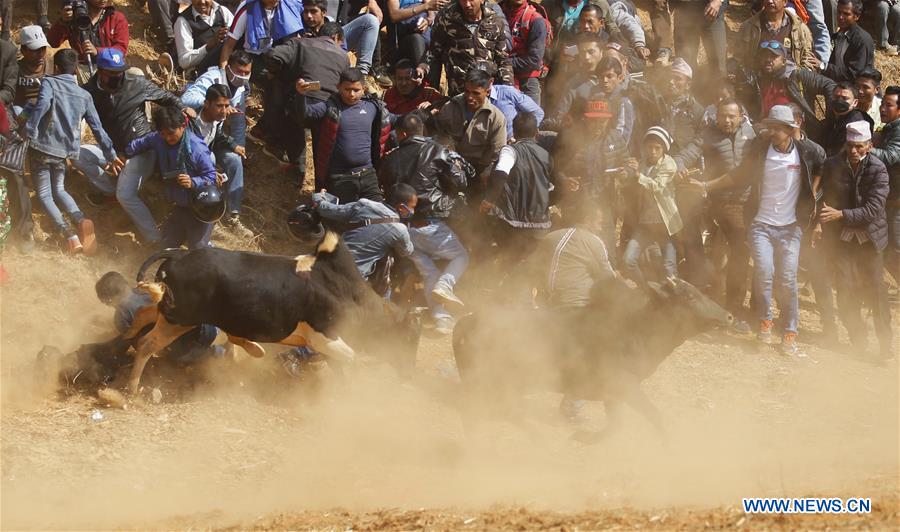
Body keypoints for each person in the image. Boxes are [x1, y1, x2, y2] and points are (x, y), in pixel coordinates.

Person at [699, 105, 825, 356]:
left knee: (788, 280)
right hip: (761, 225)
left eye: (777, 128)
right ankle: (765, 322)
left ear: (790, 130)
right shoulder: (760, 151)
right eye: (770, 126)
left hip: (790, 227)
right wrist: (706, 185)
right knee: (764, 274)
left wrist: (811, 198)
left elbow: (822, 166)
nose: (771, 131)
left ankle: (790, 332)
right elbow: (739, 175)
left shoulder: (806, 152)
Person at [76, 48, 187, 245]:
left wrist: (184, 108)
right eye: (113, 74)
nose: (119, 77)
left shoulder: (136, 84)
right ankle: (110, 190)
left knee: (125, 194)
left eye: (121, 71)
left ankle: (155, 240)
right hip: (112, 151)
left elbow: (166, 98)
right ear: (101, 72)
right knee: (77, 153)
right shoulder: (88, 92)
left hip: (142, 150)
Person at [379, 113, 470, 333]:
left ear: (400, 134)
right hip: (429, 224)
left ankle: (441, 318)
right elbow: (461, 181)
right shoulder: (437, 150)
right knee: (461, 256)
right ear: (423, 131)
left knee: (429, 272)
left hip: (402, 229)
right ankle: (445, 287)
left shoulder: (389, 159)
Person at [24, 49, 117, 256]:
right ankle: (81, 219)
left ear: (55, 67)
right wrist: (110, 154)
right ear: (76, 69)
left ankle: (69, 235)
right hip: (64, 152)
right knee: (60, 190)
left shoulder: (49, 83)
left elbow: (41, 106)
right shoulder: (85, 95)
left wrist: (29, 130)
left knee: (45, 194)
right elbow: (97, 128)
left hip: (41, 147)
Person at [675, 98, 755, 324]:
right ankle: (715, 306)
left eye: (732, 116)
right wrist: (679, 167)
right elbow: (685, 154)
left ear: (741, 117)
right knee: (716, 256)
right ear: (716, 116)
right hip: (718, 203)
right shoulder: (708, 134)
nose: (727, 120)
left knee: (740, 257)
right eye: (723, 116)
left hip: (746, 204)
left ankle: (735, 308)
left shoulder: (752, 134)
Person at [818, 121, 893, 359]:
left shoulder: (878, 169)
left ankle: (884, 346)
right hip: (841, 239)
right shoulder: (832, 165)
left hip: (870, 241)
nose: (853, 151)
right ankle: (858, 340)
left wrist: (840, 214)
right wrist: (820, 220)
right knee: (845, 290)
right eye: (850, 145)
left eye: (859, 146)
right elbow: (824, 197)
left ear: (869, 146)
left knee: (877, 294)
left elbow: (873, 209)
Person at [126, 105, 219, 250]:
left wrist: (193, 182)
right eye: (163, 134)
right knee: (165, 248)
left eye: (171, 133)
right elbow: (138, 144)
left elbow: (211, 177)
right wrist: (120, 154)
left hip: (199, 209)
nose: (167, 138)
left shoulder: (197, 148)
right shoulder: (158, 139)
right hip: (179, 207)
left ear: (183, 125)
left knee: (198, 251)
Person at [260, 21, 350, 170]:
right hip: (329, 109)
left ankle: (279, 144)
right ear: (336, 37)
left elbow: (272, 55)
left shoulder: (302, 44)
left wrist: (280, 72)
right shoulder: (345, 57)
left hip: (301, 104)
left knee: (279, 85)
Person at [296, 67, 391, 203]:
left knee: (378, 215)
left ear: (364, 88)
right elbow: (306, 114)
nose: (351, 94)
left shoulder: (373, 107)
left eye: (356, 90)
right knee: (342, 221)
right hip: (340, 178)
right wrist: (300, 95)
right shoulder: (329, 107)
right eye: (347, 89)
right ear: (338, 87)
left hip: (368, 175)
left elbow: (394, 119)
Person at [95, 271, 220, 370]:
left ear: (108, 300)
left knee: (174, 360)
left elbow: (141, 345)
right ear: (125, 284)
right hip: (210, 324)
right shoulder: (148, 289)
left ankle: (217, 353)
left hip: (194, 340)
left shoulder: (121, 316)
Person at [481, 112, 553, 260]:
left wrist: (489, 200)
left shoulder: (510, 150)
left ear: (514, 131)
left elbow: (500, 173)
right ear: (537, 132)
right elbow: (550, 187)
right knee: (529, 264)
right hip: (541, 225)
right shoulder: (546, 155)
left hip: (513, 224)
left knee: (510, 259)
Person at [312, 184, 415, 280]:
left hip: (328, 261)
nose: (412, 211)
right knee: (383, 292)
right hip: (352, 276)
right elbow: (407, 251)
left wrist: (319, 197)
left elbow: (327, 210)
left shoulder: (364, 205)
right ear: (401, 207)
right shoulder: (400, 230)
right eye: (412, 207)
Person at [621, 127, 682, 285]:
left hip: (664, 224)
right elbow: (631, 184)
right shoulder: (641, 164)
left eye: (657, 148)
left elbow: (658, 187)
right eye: (650, 147)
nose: (653, 151)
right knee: (628, 260)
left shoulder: (669, 164)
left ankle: (675, 303)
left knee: (669, 267)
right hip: (645, 223)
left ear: (664, 149)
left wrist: (637, 175)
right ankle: (645, 291)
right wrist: (625, 173)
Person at [189, 84, 252, 237]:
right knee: (209, 158)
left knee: (234, 160)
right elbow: (187, 153)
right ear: (206, 104)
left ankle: (232, 216)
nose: (224, 110)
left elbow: (216, 136)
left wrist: (233, 145)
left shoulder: (217, 118)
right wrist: (210, 172)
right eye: (219, 106)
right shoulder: (191, 121)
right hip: (191, 165)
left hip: (208, 154)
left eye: (226, 105)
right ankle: (209, 215)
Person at [743, 39, 835, 136]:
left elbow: (829, 85)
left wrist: (830, 117)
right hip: (767, 133)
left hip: (797, 134)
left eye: (774, 56)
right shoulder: (756, 79)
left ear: (784, 61)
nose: (768, 59)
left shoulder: (797, 75)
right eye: (764, 56)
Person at [421, 0, 514, 95]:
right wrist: (433, 90)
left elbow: (503, 59)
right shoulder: (446, 18)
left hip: (488, 91)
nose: (467, 5)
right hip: (458, 92)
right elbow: (434, 54)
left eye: (471, 0)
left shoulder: (494, 20)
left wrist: (508, 89)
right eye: (463, 0)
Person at [434, 68, 507, 184]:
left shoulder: (496, 118)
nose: (470, 97)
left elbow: (496, 152)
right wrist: (452, 158)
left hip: (479, 168)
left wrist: (483, 172)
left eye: (476, 93)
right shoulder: (450, 107)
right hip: (450, 163)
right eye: (467, 92)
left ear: (487, 92)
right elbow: (440, 134)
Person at [181, 50, 252, 149]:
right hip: (194, 130)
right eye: (239, 71)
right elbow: (186, 99)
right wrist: (214, 105)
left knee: (233, 159)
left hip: (217, 135)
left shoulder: (241, 89)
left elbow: (238, 124)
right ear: (228, 68)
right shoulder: (212, 78)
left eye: (246, 73)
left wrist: (238, 147)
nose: (242, 76)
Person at [47, 0, 129, 82]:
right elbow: (52, 42)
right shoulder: (75, 17)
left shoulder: (116, 18)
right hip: (83, 68)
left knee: (136, 73)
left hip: (111, 66)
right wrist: (63, 22)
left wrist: (98, 52)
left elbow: (121, 49)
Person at [219, 0, 305, 73]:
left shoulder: (289, 6)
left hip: (274, 53)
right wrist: (223, 74)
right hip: (250, 56)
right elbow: (229, 46)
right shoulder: (247, 9)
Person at [299, 0, 381, 76]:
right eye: (306, 11)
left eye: (313, 11)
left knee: (371, 20)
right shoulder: (299, 26)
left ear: (323, 13)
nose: (309, 16)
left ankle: (362, 74)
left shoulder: (334, 30)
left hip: (334, 55)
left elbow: (341, 56)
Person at [870, 86, 900, 288]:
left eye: (888, 105)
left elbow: (892, 156)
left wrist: (868, 149)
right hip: (890, 200)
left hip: (897, 203)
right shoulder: (889, 128)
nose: (882, 108)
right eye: (882, 103)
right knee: (889, 249)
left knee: (894, 249)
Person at [735, 0, 814, 70]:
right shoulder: (748, 27)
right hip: (758, 81)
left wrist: (797, 78)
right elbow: (739, 58)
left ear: (785, 2)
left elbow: (807, 59)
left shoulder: (800, 29)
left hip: (789, 83)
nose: (770, 1)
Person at [501, 0, 549, 105]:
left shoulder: (535, 20)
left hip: (526, 80)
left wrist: (504, 63)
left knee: (531, 118)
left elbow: (533, 60)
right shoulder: (496, 12)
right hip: (499, 77)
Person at [816, 0, 874, 82]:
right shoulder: (839, 35)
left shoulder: (862, 40)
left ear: (856, 16)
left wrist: (823, 66)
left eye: (846, 14)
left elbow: (854, 74)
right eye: (839, 12)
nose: (840, 17)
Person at [174, 0, 235, 75]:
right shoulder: (183, 21)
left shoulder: (222, 11)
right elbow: (184, 61)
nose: (202, 1)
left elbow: (235, 35)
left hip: (229, 67)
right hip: (203, 72)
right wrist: (208, 46)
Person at [669, 0, 727, 77]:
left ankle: (717, 87)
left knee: (719, 67)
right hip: (684, 9)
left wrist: (718, 1)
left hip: (712, 10)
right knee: (684, 68)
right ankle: (691, 87)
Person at [384, 0, 445, 67]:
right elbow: (394, 15)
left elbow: (430, 6)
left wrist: (429, 20)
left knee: (438, 43)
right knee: (418, 40)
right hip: (407, 33)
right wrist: (424, 7)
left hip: (425, 24)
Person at [819, 82, 872, 156]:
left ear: (855, 102)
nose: (839, 101)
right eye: (836, 97)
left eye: (845, 98)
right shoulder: (832, 117)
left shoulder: (855, 123)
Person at [13, 26, 50, 117]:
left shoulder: (53, 66)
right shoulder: (15, 69)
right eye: (36, 50)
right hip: (23, 112)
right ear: (23, 51)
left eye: (43, 48)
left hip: (45, 111)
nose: (41, 53)